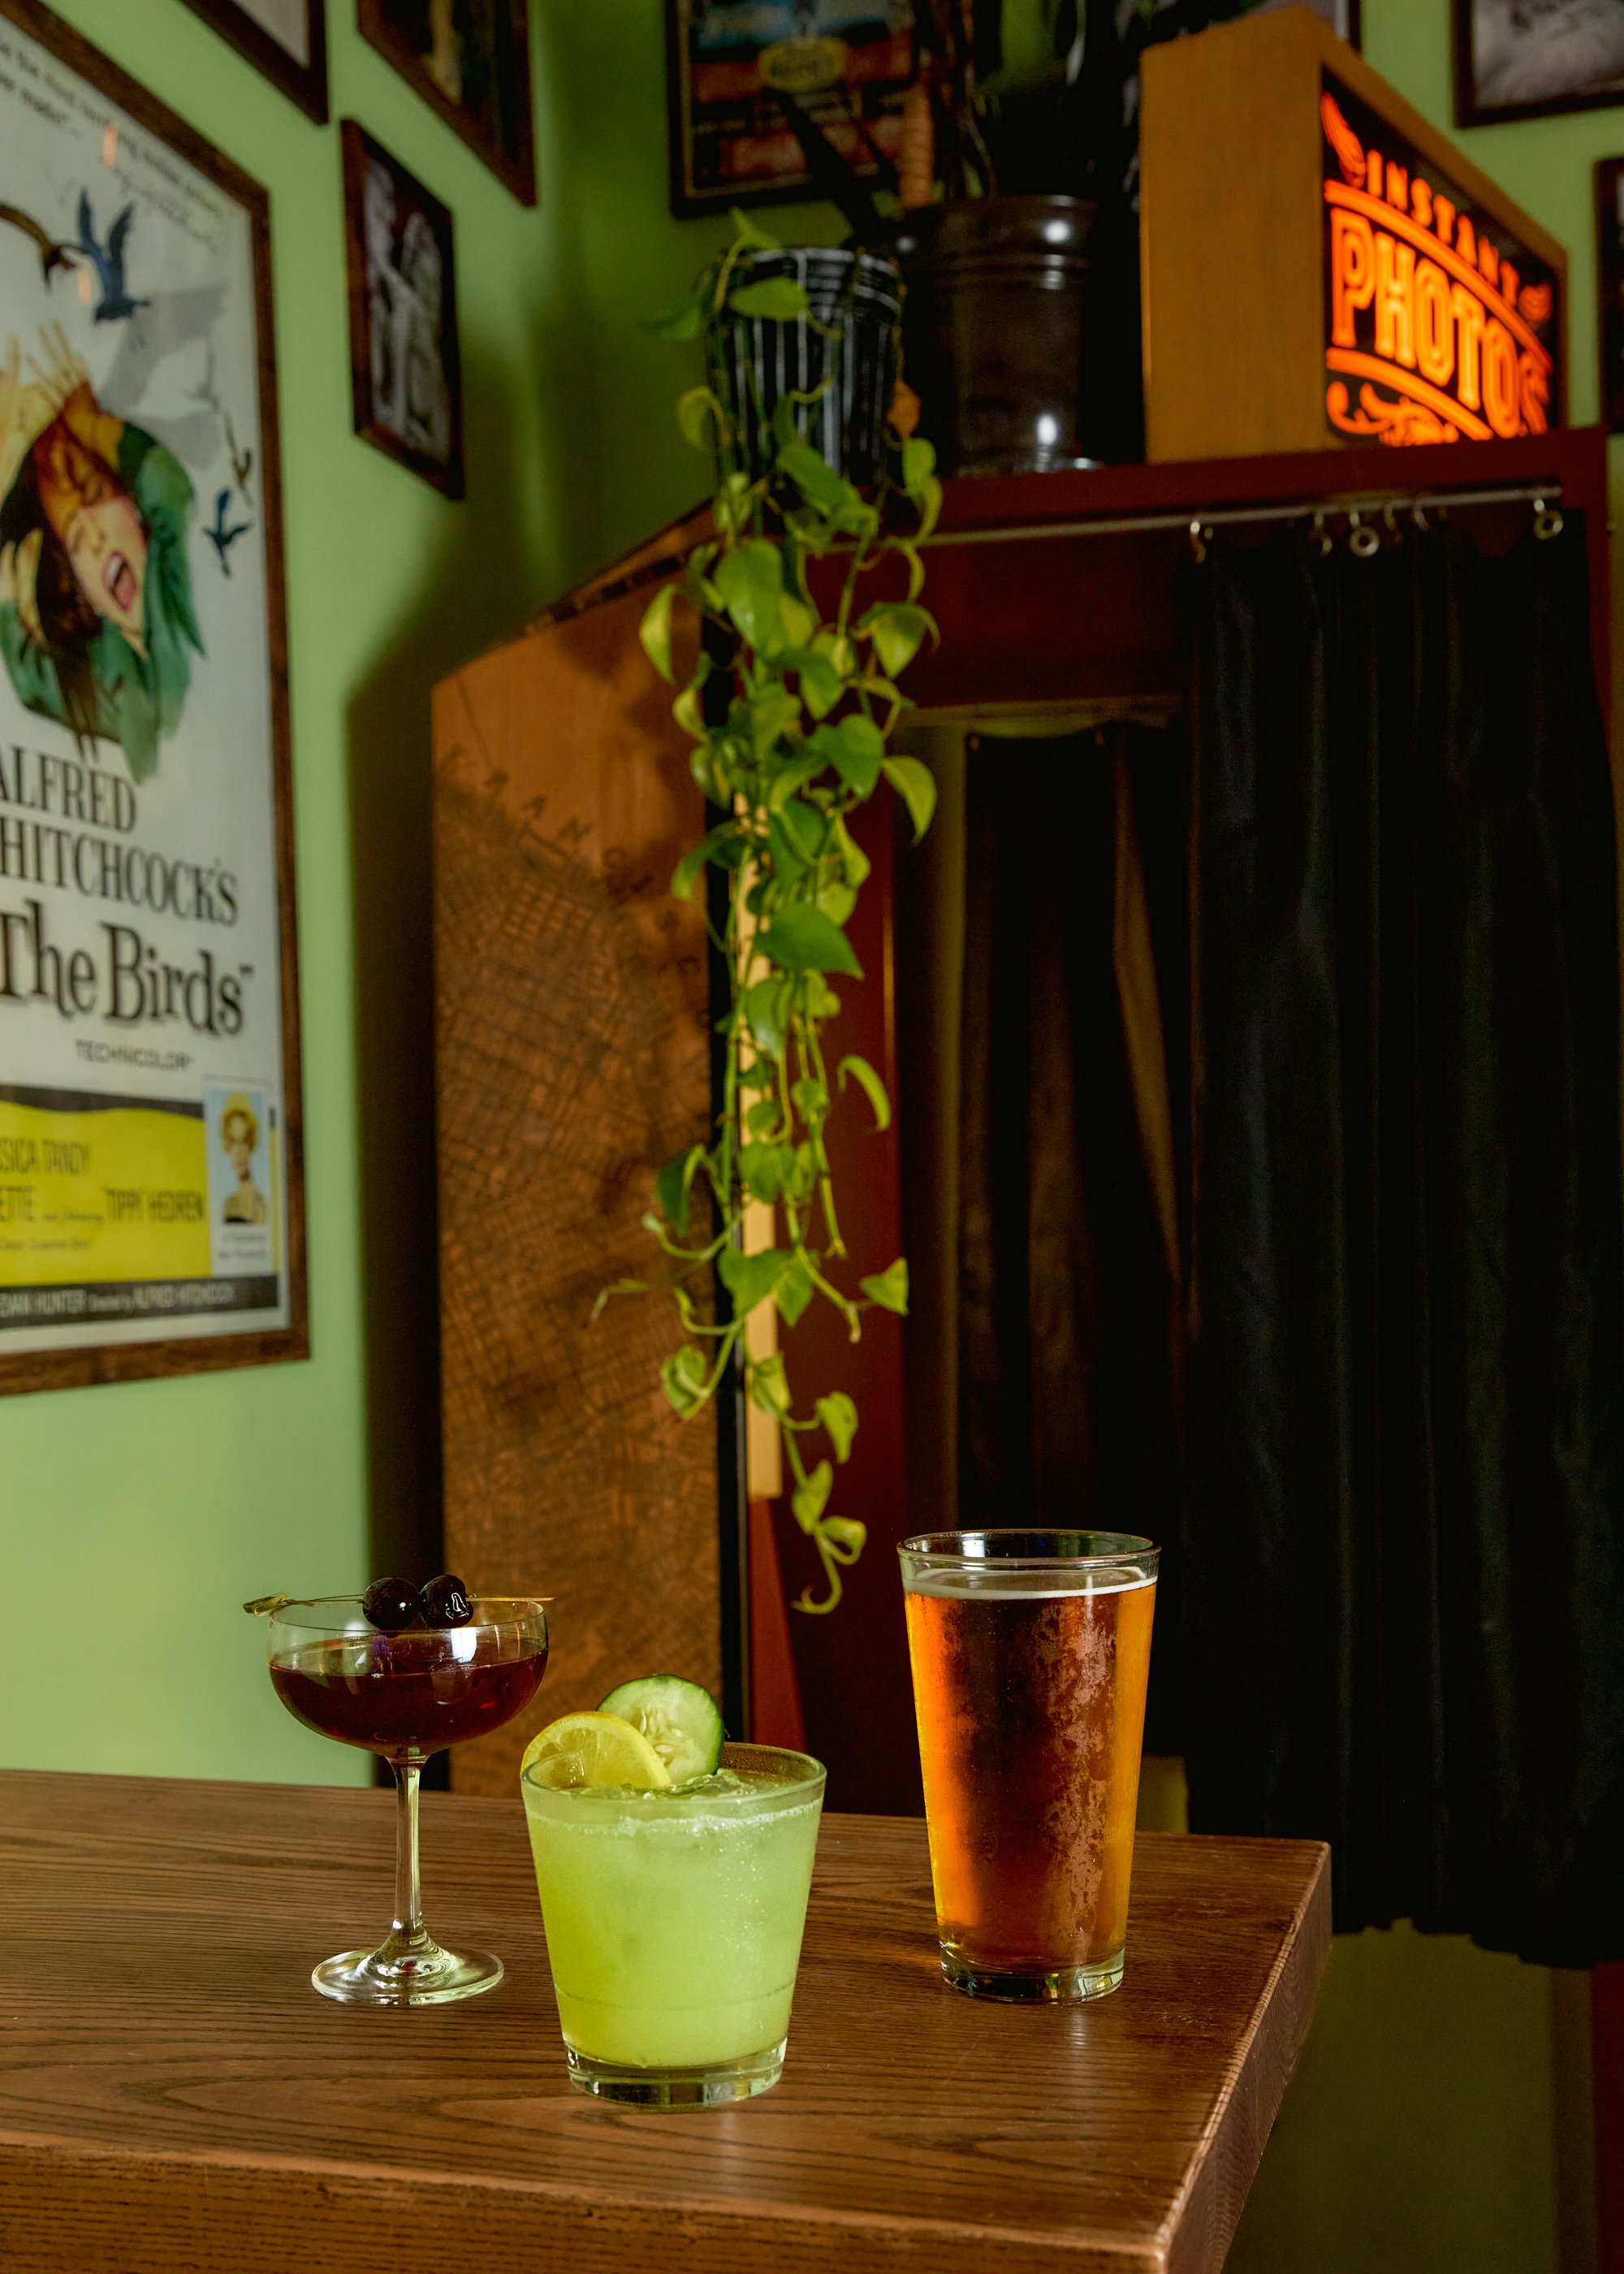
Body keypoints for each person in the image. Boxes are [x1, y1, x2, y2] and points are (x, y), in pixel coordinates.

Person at [0, 323, 203, 781]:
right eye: (74, 541)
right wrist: (9, 613)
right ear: (83, 590)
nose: (93, 540)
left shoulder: (175, 578)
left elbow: (173, 489)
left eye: (94, 494)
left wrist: (90, 424)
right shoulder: (109, 672)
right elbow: (36, 686)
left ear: (135, 507)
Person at [220, 1095, 269, 1227]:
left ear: (251, 1145)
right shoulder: (229, 1205)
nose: (239, 1152)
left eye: (243, 1142)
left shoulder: (262, 1205)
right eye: (234, 1142)